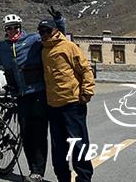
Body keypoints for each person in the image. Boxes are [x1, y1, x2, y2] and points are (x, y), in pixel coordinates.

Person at [0, 7, 64, 182]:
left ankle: (38, 172)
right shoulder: (1, 48)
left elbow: (56, 36)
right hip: (19, 96)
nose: (12, 31)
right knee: (26, 134)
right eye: (8, 28)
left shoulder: (34, 40)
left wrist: (59, 21)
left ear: (20, 27)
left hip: (38, 93)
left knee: (39, 133)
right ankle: (33, 170)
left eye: (15, 27)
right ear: (5, 30)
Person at [39, 19, 95, 182]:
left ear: (56, 30)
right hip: (53, 105)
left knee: (78, 143)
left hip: (73, 103)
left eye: (47, 31)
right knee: (58, 147)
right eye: (41, 31)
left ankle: (84, 178)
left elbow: (85, 69)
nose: (44, 34)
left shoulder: (69, 47)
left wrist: (87, 90)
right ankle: (63, 178)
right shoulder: (43, 50)